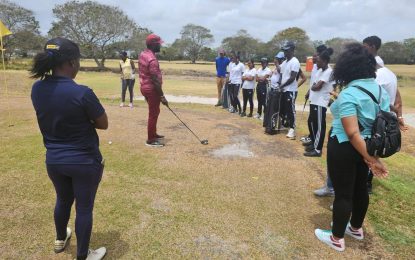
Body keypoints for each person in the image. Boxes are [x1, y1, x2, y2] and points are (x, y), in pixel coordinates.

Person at [30, 37, 107, 260]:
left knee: (63, 200)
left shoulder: (37, 89)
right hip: (84, 161)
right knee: (84, 208)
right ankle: (83, 256)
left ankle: (59, 239)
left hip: (54, 160)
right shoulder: (82, 92)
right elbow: (103, 124)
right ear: (72, 63)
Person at [315, 43, 389, 252]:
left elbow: (352, 132)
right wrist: (370, 156)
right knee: (359, 189)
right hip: (369, 145)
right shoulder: (380, 91)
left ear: (347, 68)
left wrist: (371, 159)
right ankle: (355, 228)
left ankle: (336, 237)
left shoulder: (350, 93)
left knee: (343, 193)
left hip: (345, 147)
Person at [139, 34, 169, 147]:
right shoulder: (152, 60)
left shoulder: (143, 54)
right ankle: (151, 139)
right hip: (152, 90)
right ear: (153, 45)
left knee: (155, 111)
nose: (160, 46)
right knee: (153, 113)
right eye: (159, 44)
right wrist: (162, 96)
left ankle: (153, 133)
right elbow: (155, 80)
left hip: (144, 87)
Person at [304, 48, 334, 157]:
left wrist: (313, 87)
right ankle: (314, 143)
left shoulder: (328, 71)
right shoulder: (320, 71)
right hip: (314, 100)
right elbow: (314, 85)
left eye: (319, 60)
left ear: (325, 61)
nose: (317, 62)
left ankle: (318, 150)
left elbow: (317, 86)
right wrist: (313, 87)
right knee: (313, 123)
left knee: (320, 126)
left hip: (321, 102)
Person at [302, 45, 328, 144]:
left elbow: (317, 85)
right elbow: (313, 82)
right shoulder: (316, 67)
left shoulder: (325, 69)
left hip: (320, 100)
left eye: (316, 56)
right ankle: (312, 140)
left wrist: (312, 88)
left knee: (317, 123)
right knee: (311, 122)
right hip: (314, 98)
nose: (314, 58)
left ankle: (316, 144)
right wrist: (309, 91)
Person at [278, 41, 301, 139]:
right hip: (284, 90)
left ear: (292, 50)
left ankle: (292, 129)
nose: (285, 53)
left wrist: (282, 85)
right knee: (283, 109)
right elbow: (281, 73)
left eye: (287, 51)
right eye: (284, 51)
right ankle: (285, 124)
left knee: (290, 110)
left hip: (291, 90)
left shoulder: (295, 61)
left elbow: (292, 78)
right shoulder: (285, 61)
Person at [263, 52, 284, 134]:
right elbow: (271, 74)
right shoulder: (276, 67)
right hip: (272, 90)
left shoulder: (282, 66)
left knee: (274, 110)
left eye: (278, 59)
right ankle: (268, 126)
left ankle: (272, 128)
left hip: (277, 91)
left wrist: (277, 64)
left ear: (281, 59)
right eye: (276, 58)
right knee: (269, 109)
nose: (276, 60)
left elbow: (280, 71)